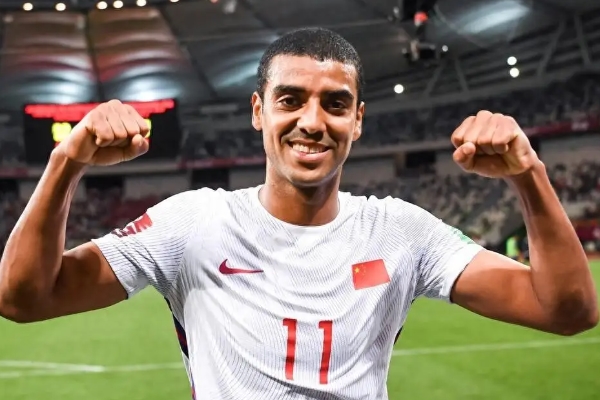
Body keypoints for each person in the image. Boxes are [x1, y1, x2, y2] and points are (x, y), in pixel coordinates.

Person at [0, 28, 597, 399]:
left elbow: (567, 310)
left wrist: (529, 174)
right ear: (258, 111)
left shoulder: (402, 231)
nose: (312, 122)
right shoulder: (191, 224)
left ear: (358, 120)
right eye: (290, 100)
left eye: (335, 104)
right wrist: (66, 161)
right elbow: (24, 298)